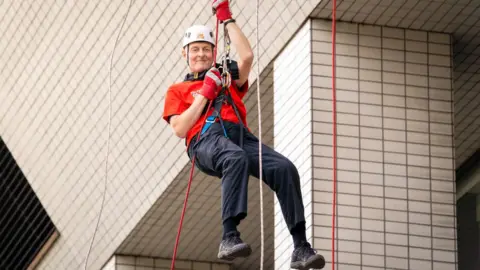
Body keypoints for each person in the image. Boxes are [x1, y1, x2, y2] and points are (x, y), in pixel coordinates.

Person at [162, 1, 325, 269]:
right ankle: (229, 236)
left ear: (213, 52)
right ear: (185, 54)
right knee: (234, 158)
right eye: (195, 50)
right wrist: (205, 92)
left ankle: (300, 247)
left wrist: (226, 18)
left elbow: (246, 56)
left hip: (240, 136)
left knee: (284, 168)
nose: (201, 54)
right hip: (205, 141)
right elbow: (180, 128)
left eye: (206, 49)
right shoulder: (178, 90)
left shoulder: (225, 77)